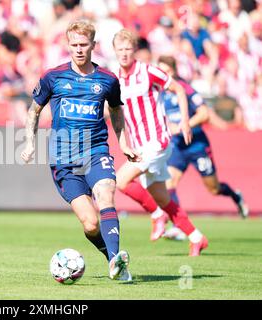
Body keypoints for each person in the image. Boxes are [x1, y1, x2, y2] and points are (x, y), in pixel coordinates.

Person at [21, 20, 133, 281]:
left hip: (96, 151)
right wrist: (30, 142)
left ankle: (117, 260)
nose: (79, 49)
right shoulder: (53, 77)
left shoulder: (107, 80)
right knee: (91, 223)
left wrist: (123, 143)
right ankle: (112, 259)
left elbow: (116, 110)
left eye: (84, 45)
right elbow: (34, 110)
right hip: (64, 160)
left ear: (93, 45)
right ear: (67, 45)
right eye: (74, 45)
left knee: (106, 195)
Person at [112, 29, 208, 256]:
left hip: (157, 141)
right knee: (163, 198)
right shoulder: (114, 79)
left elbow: (178, 89)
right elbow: (115, 110)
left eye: (128, 49)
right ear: (114, 51)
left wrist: (185, 120)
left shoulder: (148, 72)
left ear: (134, 50)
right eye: (120, 50)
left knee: (121, 181)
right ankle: (196, 237)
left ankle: (156, 215)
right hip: (140, 145)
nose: (124, 54)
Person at [156, 55, 249, 239]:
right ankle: (179, 225)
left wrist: (185, 125)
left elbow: (204, 113)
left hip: (197, 144)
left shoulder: (186, 89)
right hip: (178, 146)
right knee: (170, 183)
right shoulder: (160, 92)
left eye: (165, 71)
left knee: (213, 189)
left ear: (173, 71)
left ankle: (235, 195)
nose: (162, 75)